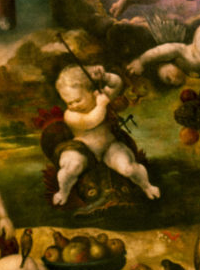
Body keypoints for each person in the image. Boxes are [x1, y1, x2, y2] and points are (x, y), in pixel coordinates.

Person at [53, 64, 161, 205]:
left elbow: (117, 84)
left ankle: (147, 186)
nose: (74, 105)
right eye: (69, 102)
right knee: (71, 167)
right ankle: (63, 192)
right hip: (82, 149)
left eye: (77, 100)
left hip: (109, 146)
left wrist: (105, 77)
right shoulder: (70, 115)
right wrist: (101, 105)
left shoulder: (99, 97)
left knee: (128, 168)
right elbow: (91, 121)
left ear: (91, 91)